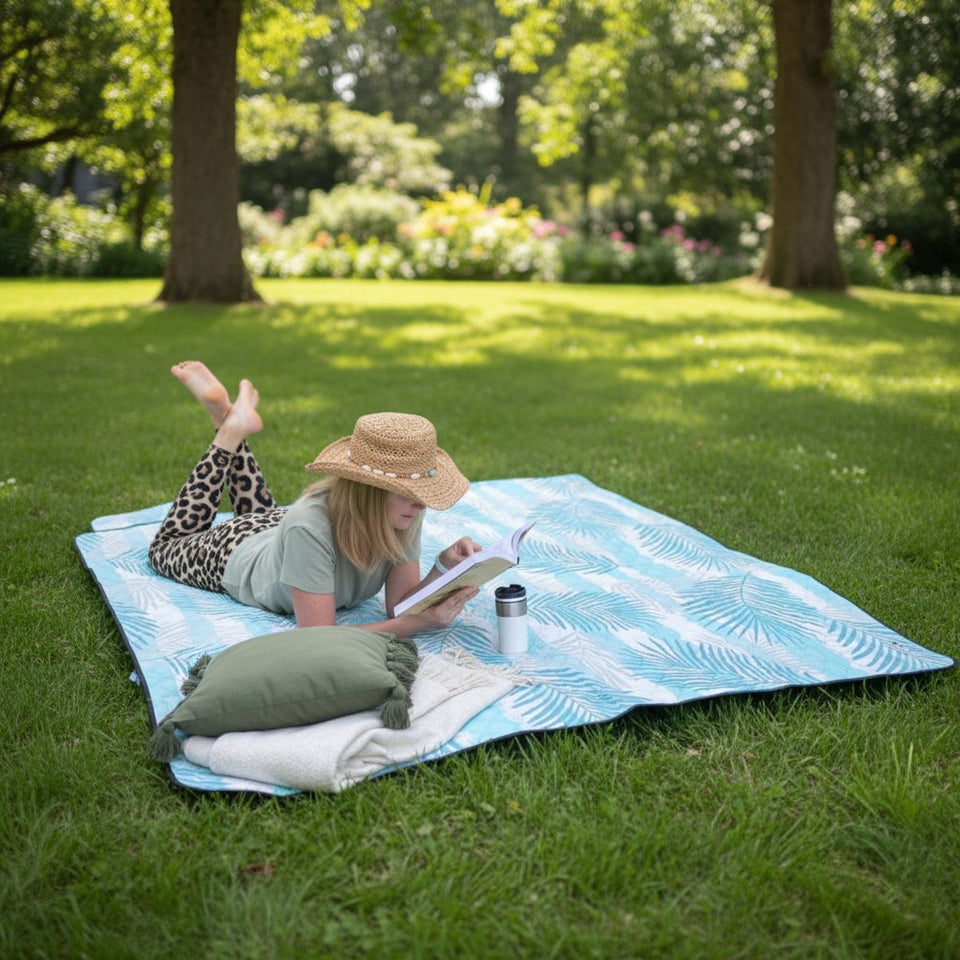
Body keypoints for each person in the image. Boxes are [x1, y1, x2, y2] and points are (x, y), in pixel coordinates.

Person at [148, 361, 481, 636]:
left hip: (280, 534)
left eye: (420, 491)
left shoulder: (404, 510)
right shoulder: (309, 527)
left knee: (274, 519)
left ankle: (229, 417)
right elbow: (318, 637)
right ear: (368, 489)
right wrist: (411, 626)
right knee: (165, 548)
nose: (421, 503)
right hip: (235, 553)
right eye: (408, 493)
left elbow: (399, 605)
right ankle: (229, 431)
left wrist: (443, 568)